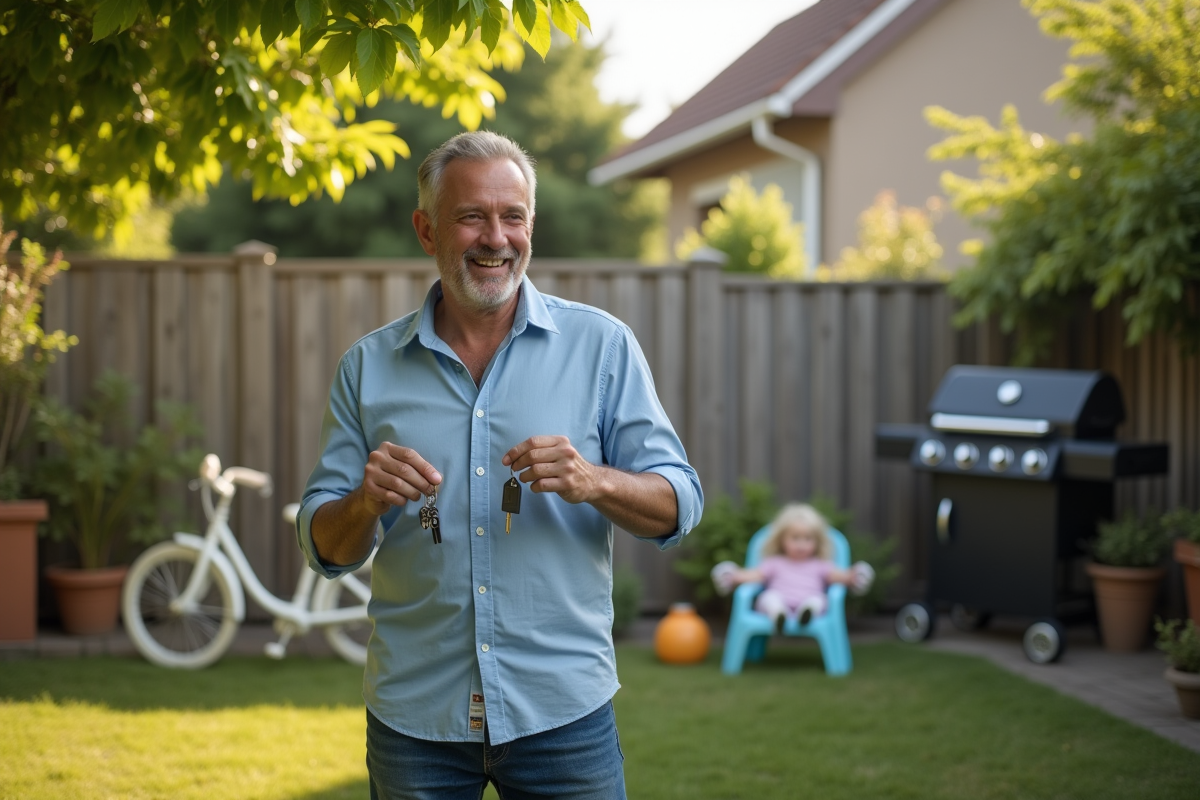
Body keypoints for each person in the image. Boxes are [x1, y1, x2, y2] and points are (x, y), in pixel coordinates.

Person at [295, 130, 703, 799]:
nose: (495, 237)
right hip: (415, 720)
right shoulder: (367, 369)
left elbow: (680, 503)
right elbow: (324, 547)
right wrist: (364, 502)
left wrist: (593, 480)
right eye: (470, 217)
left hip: (563, 714)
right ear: (427, 231)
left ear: (531, 226)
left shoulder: (601, 348)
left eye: (512, 216)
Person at [711, 504, 873, 629]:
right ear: (782, 540)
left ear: (817, 542)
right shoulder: (775, 562)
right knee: (768, 598)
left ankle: (807, 613)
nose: (801, 545)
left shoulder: (820, 565)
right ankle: (778, 615)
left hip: (808, 601)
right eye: (795, 538)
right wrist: (734, 576)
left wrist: (853, 577)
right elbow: (754, 575)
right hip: (779, 601)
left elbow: (840, 576)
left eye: (807, 539)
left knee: (819, 600)